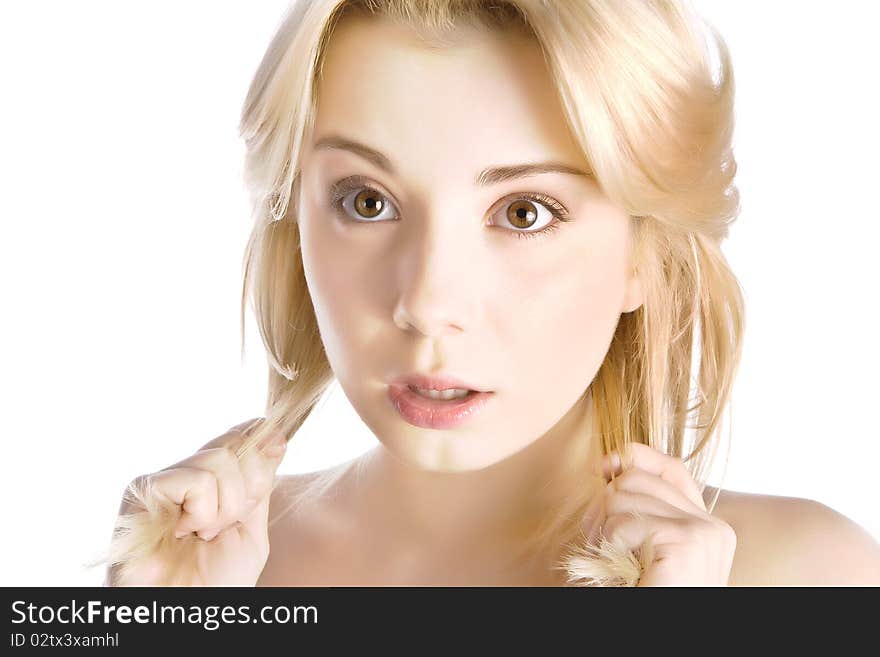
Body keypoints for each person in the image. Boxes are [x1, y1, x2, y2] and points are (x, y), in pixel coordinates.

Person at [101, 0, 880, 586]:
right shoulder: (199, 566)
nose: (428, 302)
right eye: (366, 201)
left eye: (523, 212)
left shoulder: (805, 576)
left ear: (646, 253)